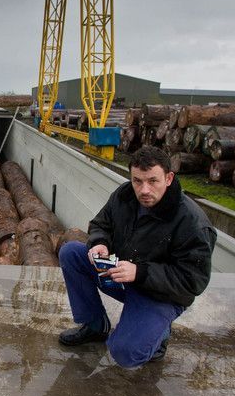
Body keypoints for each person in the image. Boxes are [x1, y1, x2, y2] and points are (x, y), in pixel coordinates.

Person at [57, 146, 216, 368]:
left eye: (153, 181)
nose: (144, 190)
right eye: (137, 181)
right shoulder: (124, 195)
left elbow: (193, 280)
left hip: (160, 294)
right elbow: (101, 224)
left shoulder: (192, 222)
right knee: (72, 253)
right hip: (121, 274)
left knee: (125, 354)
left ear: (169, 178)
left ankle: (159, 334)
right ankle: (95, 325)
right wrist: (100, 243)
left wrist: (140, 272)